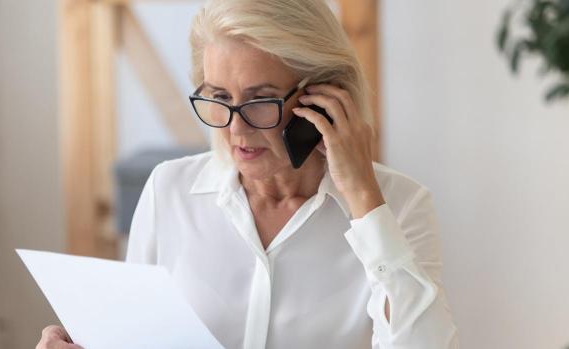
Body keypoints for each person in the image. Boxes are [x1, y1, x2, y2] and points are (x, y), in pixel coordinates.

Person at [37, 0, 459, 348]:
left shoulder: (399, 206)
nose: (235, 129)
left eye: (261, 100)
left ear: (325, 97)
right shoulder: (170, 191)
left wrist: (365, 203)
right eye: (219, 97)